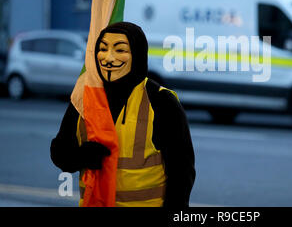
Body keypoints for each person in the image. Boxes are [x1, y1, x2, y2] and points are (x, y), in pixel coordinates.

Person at [50, 22, 196, 207]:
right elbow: (59, 153)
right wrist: (81, 156)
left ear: (138, 53)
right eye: (103, 49)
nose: (108, 58)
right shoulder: (83, 98)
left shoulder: (161, 101)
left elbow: (182, 172)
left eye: (120, 50)